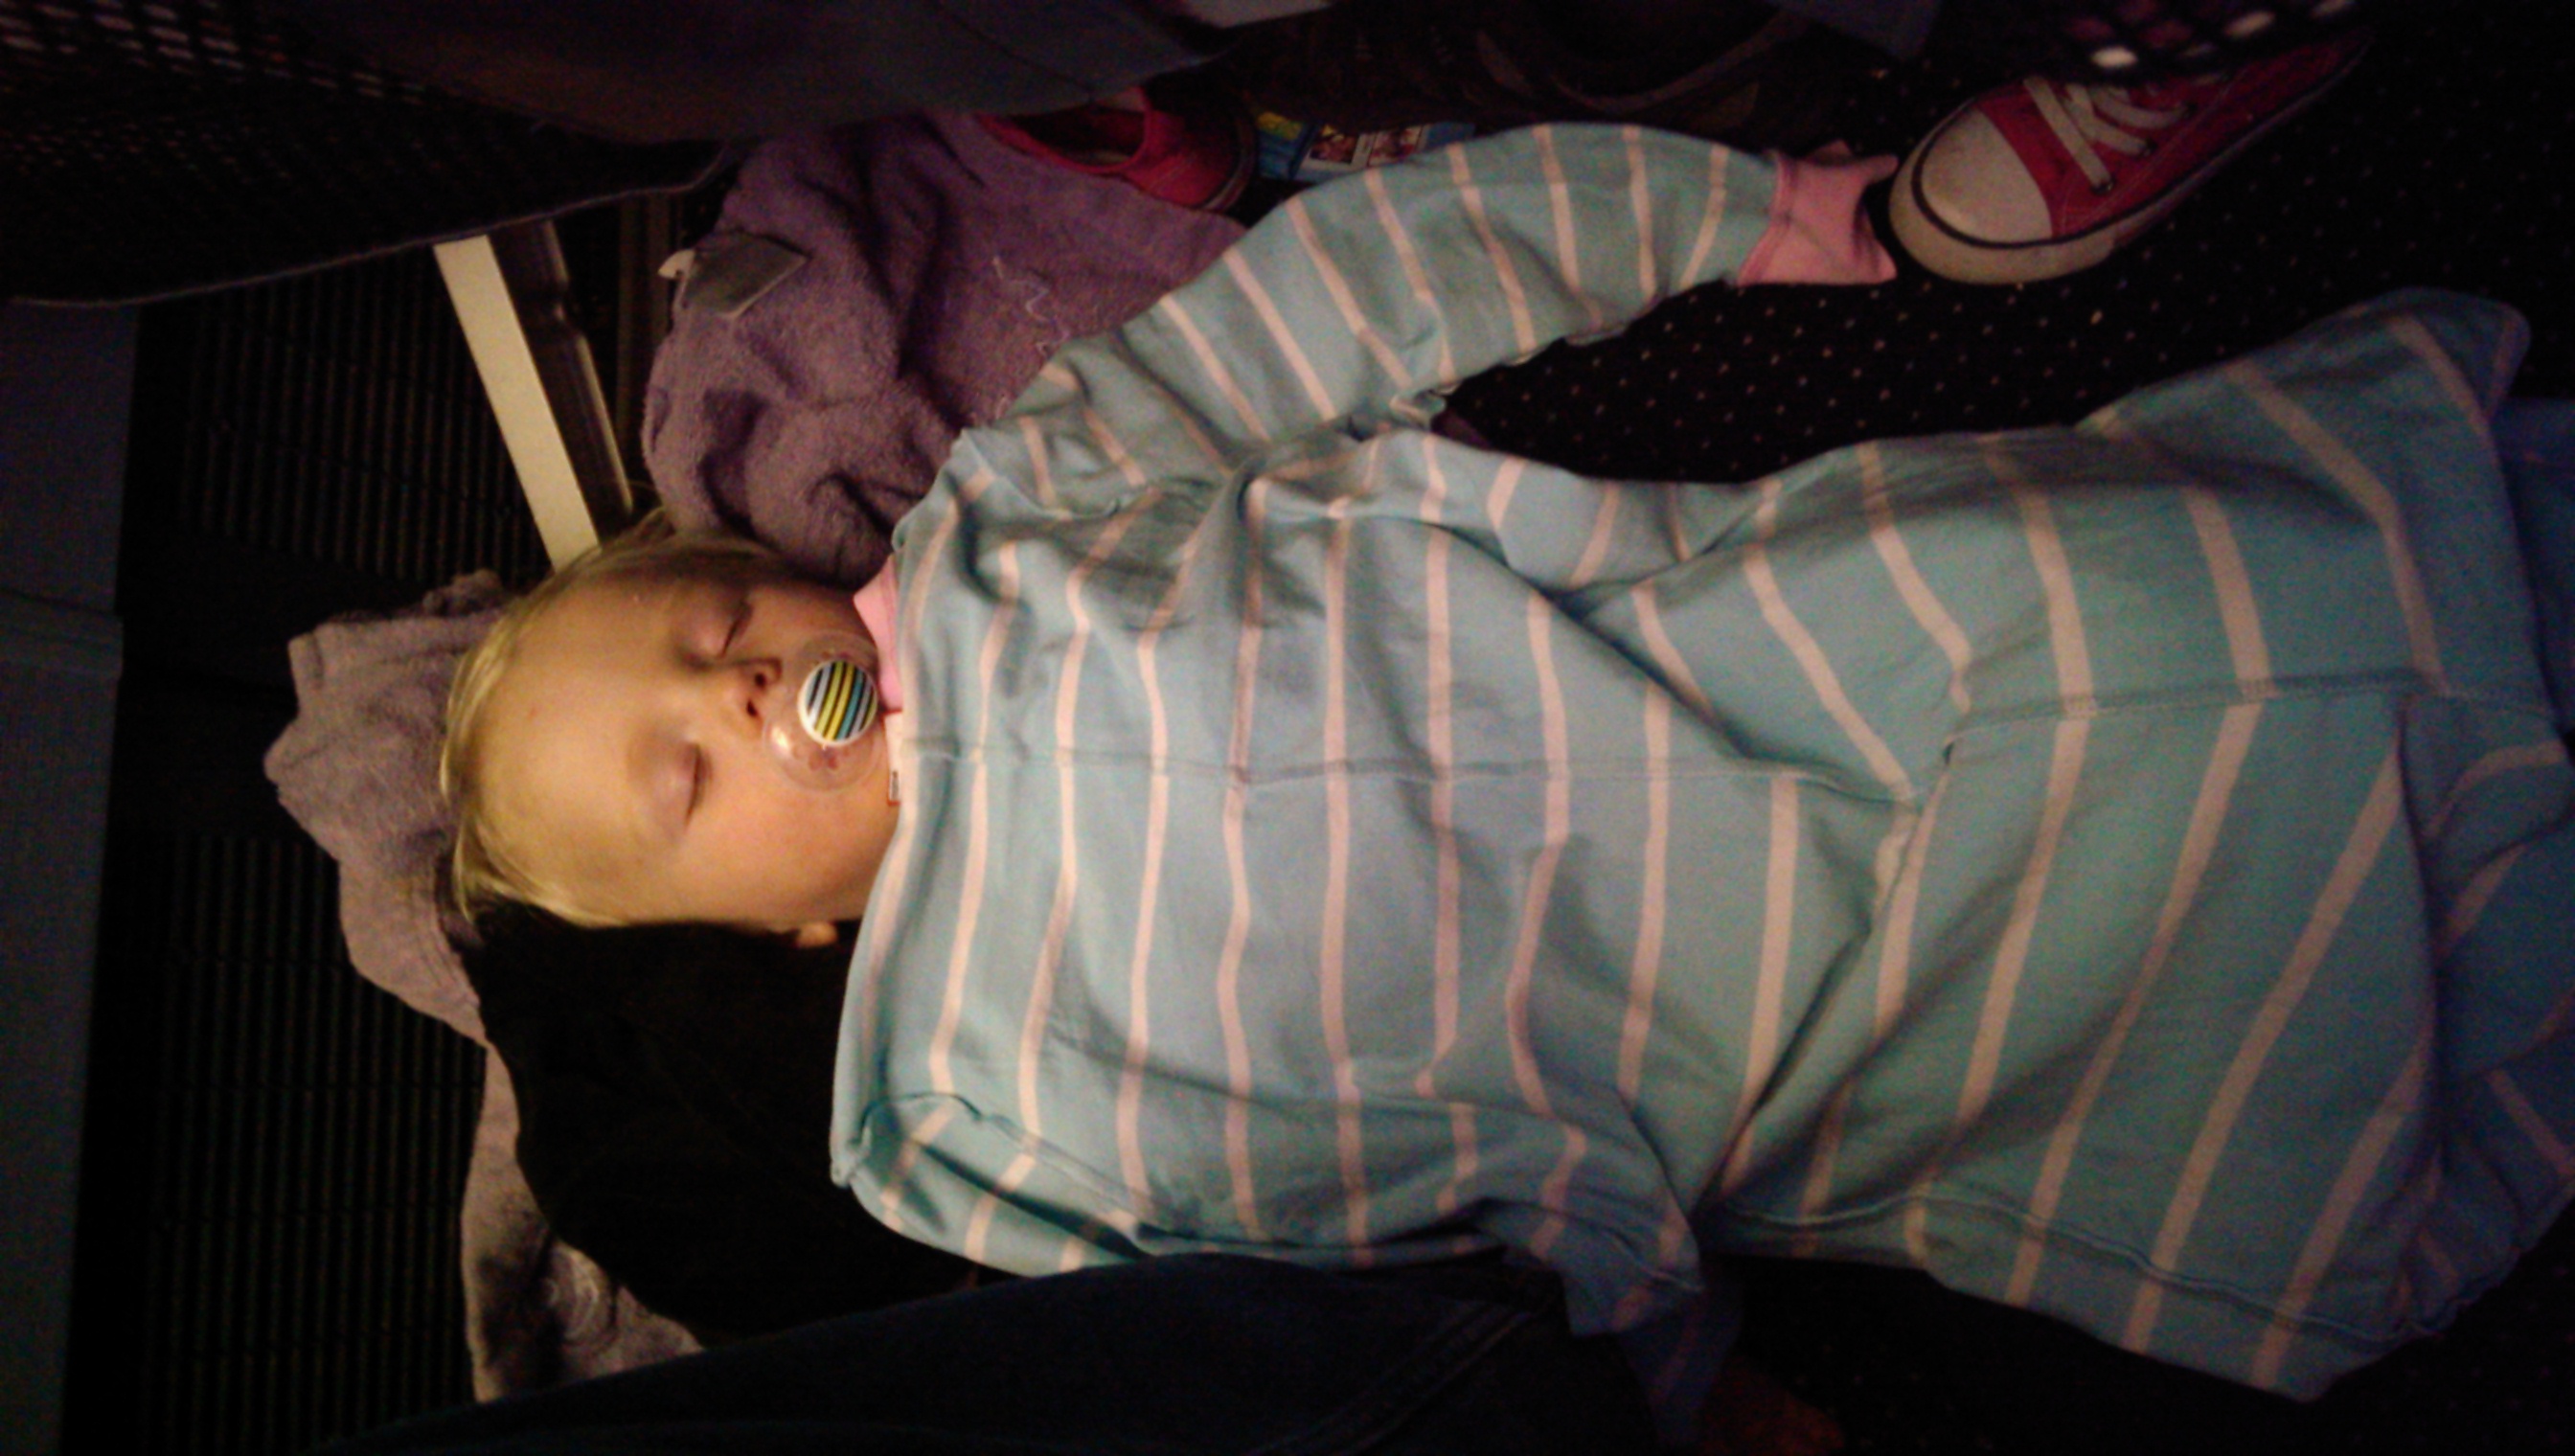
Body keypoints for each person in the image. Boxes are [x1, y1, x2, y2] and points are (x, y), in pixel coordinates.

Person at [443, 125, 2575, 1444]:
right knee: (2174, 982)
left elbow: (1333, 297)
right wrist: (1681, 1385)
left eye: (706, 629)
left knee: (2138, 589)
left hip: (1754, 642)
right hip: (1750, 1013)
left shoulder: (1012, 525)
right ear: (781, 931)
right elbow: (1351, 1294)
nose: (741, 694)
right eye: (686, 778)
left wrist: (1736, 214)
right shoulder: (962, 1104)